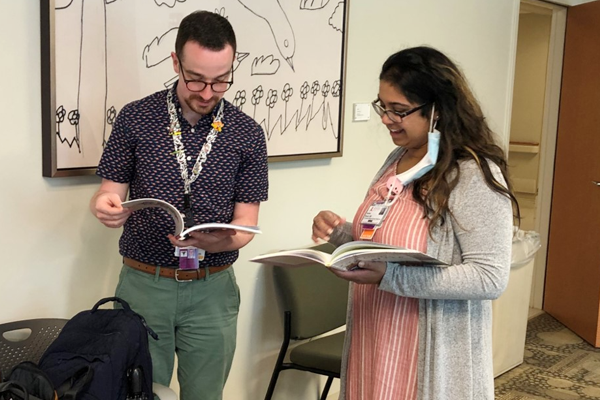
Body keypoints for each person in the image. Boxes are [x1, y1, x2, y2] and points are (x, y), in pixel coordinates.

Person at [312, 46, 518, 400]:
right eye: (383, 106)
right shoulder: (398, 159)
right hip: (373, 334)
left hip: (424, 350)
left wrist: (391, 277)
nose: (387, 119)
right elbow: (385, 243)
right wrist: (341, 233)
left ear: (437, 110)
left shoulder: (472, 174)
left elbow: (489, 277)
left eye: (400, 110)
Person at [89, 11, 268, 400]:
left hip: (212, 290)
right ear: (175, 62)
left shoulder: (247, 133)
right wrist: (105, 206)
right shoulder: (136, 118)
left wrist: (219, 242)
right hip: (144, 284)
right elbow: (109, 192)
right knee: (138, 393)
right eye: (196, 79)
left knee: (205, 395)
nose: (207, 92)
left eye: (221, 80)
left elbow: (246, 223)